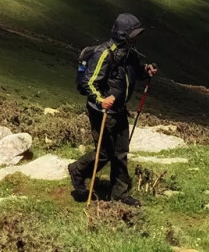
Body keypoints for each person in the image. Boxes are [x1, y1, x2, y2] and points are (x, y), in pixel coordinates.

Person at [68, 13, 158, 207]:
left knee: (121, 152)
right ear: (123, 35)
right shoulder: (104, 54)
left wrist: (145, 71)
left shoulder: (129, 53)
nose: (136, 38)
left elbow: (132, 73)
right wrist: (102, 101)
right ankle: (77, 170)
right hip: (102, 112)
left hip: (119, 110)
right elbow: (89, 83)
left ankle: (119, 194)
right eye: (133, 34)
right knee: (104, 153)